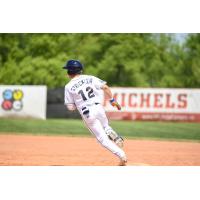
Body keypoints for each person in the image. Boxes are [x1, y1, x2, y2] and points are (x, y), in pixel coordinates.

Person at [63, 59, 127, 166]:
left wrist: (76, 104)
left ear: (69, 72)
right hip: (99, 108)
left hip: (87, 113)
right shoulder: (90, 78)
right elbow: (105, 87)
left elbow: (71, 107)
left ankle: (122, 156)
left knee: (102, 139)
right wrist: (112, 100)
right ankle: (114, 136)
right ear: (80, 71)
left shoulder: (68, 87)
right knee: (105, 126)